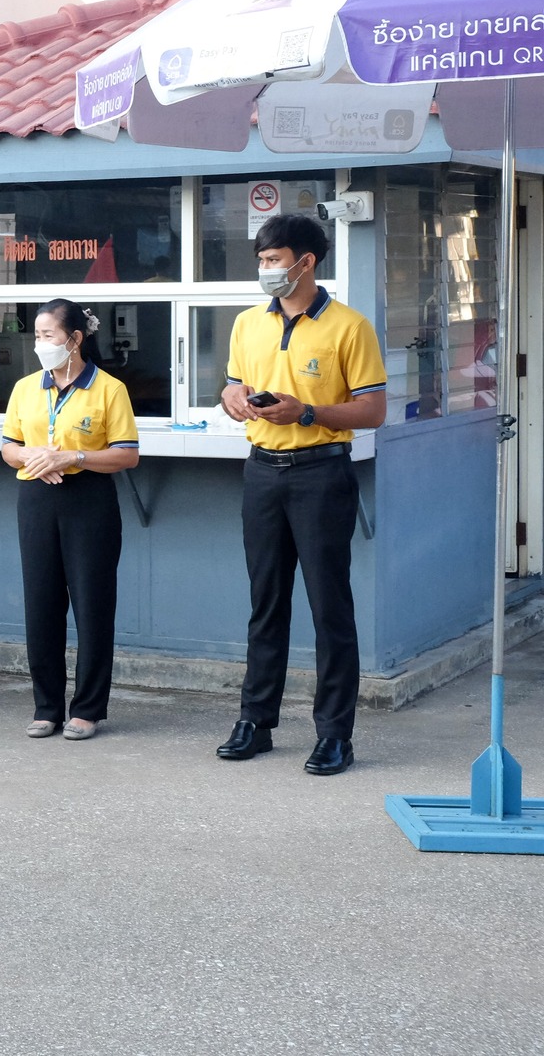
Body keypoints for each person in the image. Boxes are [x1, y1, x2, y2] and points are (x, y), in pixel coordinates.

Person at [219, 214, 385, 776]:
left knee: (328, 605)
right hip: (262, 470)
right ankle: (255, 720)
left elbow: (373, 409)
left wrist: (307, 412)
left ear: (305, 262)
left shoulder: (350, 327)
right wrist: (232, 396)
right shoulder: (248, 324)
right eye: (262, 260)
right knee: (265, 602)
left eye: (273, 259)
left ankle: (335, 733)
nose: (266, 269)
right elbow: (233, 383)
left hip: (321, 473)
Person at [1, 301, 140, 741]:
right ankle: (47, 706)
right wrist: (35, 457)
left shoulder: (109, 389)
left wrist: (73, 455)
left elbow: (127, 454)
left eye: (49, 336)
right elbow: (8, 447)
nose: (40, 344)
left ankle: (88, 708)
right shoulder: (26, 387)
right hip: (37, 497)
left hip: (89, 500)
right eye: (37, 336)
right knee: (40, 604)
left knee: (92, 604)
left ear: (75, 339)